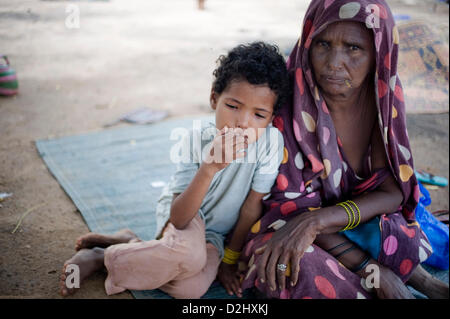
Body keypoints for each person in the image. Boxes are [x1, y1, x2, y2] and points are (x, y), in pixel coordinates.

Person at [239, 0, 449, 299]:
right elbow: (286, 210)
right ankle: (379, 284)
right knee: (286, 267)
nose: (334, 62)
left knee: (393, 231)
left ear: (378, 52)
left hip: (338, 222)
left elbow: (392, 192)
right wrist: (371, 270)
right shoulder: (286, 99)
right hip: (285, 225)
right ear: (307, 42)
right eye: (322, 43)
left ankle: (420, 282)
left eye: (353, 48)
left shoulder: (383, 97)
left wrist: (317, 220)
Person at [59, 42, 289, 298]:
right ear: (214, 98)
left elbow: (251, 207)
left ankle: (132, 243)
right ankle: (100, 257)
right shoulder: (195, 140)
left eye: (259, 115)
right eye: (233, 106)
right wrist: (209, 167)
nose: (243, 123)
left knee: (187, 289)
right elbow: (179, 218)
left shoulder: (271, 143)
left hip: (217, 237)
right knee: (187, 255)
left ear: (271, 119)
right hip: (187, 214)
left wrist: (230, 260)